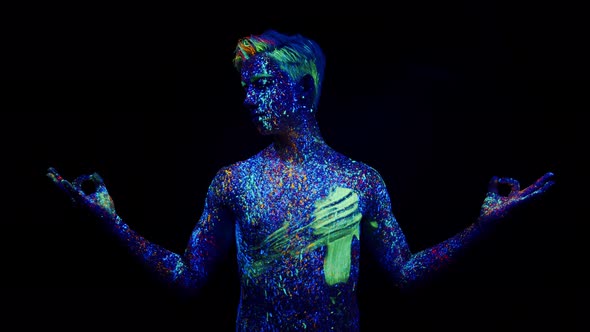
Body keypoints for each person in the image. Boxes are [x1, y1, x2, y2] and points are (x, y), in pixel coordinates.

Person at [47, 29, 555, 331]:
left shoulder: (361, 181)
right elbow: (187, 280)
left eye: (263, 84)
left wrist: (485, 226)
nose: (249, 99)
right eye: (245, 87)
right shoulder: (233, 181)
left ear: (305, 86)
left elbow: (406, 275)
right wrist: (111, 225)